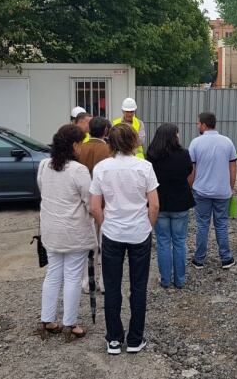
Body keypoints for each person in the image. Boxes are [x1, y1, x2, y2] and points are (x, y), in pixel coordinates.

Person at [89, 123, 159, 355]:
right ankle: (136, 339)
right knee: (138, 287)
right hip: (139, 232)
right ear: (133, 141)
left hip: (112, 233)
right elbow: (155, 204)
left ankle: (114, 340)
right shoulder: (144, 167)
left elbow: (95, 206)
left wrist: (105, 224)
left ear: (110, 142)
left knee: (112, 286)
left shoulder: (102, 168)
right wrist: (147, 226)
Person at [37, 124, 97, 341]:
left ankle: (47, 319)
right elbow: (90, 203)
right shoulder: (78, 170)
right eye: (81, 143)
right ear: (74, 145)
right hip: (74, 231)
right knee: (72, 276)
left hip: (51, 229)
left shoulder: (44, 165)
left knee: (53, 273)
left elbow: (43, 189)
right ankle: (70, 324)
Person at [146, 123, 195, 289]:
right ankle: (180, 280)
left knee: (163, 242)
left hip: (159, 203)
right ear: (174, 136)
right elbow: (189, 172)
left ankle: (165, 279)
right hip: (180, 203)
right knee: (180, 241)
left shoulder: (151, 156)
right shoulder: (184, 154)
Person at [188, 112, 237, 270]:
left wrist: (190, 186)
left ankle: (199, 259)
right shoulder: (227, 142)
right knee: (221, 224)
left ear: (203, 124)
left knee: (202, 225)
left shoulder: (195, 143)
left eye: (198, 123)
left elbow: (192, 170)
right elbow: (233, 167)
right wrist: (231, 186)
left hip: (201, 191)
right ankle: (226, 258)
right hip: (222, 191)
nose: (197, 126)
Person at [78, 116, 112, 294]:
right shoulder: (108, 151)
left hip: (83, 203)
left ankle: (86, 281)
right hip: (104, 203)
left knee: (88, 245)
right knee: (104, 244)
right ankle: (104, 282)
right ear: (106, 131)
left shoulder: (80, 149)